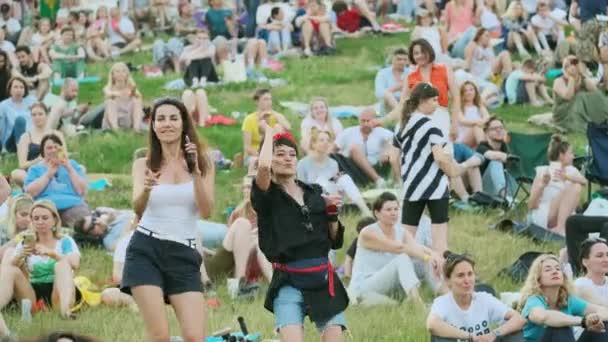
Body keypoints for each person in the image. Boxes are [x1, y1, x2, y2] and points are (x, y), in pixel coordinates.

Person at [121, 97, 214, 342]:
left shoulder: (204, 162)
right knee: (160, 335)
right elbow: (137, 209)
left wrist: (195, 173)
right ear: (153, 126)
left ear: (184, 123)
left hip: (183, 252)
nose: (167, 124)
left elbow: (206, 211)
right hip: (145, 249)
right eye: (160, 119)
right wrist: (147, 188)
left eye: (173, 118)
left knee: (195, 337)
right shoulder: (143, 164)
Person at [252, 122, 348, 342]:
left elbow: (334, 241)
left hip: (323, 277)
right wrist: (269, 133)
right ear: (269, 158)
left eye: (292, 154)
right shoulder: (267, 196)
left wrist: (332, 215)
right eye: (280, 154)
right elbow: (264, 169)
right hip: (288, 279)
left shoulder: (314, 192)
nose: (287, 158)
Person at [393, 83, 462, 256]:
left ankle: (404, 271)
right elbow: (439, 157)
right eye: (434, 99)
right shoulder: (432, 126)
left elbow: (393, 157)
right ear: (423, 101)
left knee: (407, 236)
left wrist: (403, 177)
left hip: (412, 185)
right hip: (435, 186)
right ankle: (440, 274)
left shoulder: (402, 125)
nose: (437, 104)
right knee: (439, 239)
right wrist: (452, 172)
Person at [349, 192, 442, 305]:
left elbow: (417, 247)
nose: (393, 213)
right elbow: (399, 248)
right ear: (377, 213)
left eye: (396, 209)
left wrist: (434, 256)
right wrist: (427, 257)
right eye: (388, 210)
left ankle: (443, 294)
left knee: (425, 262)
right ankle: (418, 304)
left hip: (387, 283)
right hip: (365, 285)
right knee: (402, 259)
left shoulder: (401, 231)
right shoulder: (368, 232)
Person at [0, 200, 81, 318]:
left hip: (59, 289)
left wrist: (52, 254)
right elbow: (9, 269)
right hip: (32, 293)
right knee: (10, 269)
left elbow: (75, 263)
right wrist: (20, 255)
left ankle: (65, 312)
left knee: (61, 264)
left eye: (45, 218)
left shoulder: (65, 241)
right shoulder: (26, 242)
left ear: (55, 220)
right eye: (36, 218)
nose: (40, 222)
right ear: (32, 221)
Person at [427, 252, 526, 341]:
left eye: (470, 274)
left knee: (515, 334)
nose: (467, 280)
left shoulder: (483, 298)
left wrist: (494, 334)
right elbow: (432, 324)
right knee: (438, 337)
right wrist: (470, 337)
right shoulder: (443, 302)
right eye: (460, 275)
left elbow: (519, 319)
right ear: (448, 281)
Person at [204, 176, 273, 292]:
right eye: (245, 187)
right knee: (243, 225)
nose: (247, 190)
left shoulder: (271, 212)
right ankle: (239, 284)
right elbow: (231, 244)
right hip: (238, 259)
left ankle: (272, 283)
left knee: (258, 242)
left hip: (263, 256)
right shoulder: (237, 213)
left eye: (250, 187)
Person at [519, 254, 608, 342]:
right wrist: (583, 321)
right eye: (548, 270)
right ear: (538, 278)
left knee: (603, 324)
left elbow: (604, 311)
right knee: (560, 327)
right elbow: (542, 317)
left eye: (558, 269)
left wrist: (595, 319)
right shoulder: (534, 300)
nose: (555, 272)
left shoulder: (568, 300)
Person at [297, 128, 371, 216]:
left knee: (345, 178)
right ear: (313, 144)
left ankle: (366, 211)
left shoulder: (333, 163)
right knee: (321, 181)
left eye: (328, 140)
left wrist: (337, 187)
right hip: (314, 199)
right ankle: (333, 211)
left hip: (334, 197)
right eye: (321, 140)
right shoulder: (302, 163)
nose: (325, 142)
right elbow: (300, 189)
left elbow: (334, 183)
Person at [24, 133, 89, 228]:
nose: (53, 150)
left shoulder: (72, 165)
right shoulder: (35, 169)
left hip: (72, 205)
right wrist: (48, 174)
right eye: (49, 148)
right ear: (43, 152)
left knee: (82, 220)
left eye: (56, 147)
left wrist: (69, 168)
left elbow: (82, 191)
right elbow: (30, 192)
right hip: (46, 207)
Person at [528, 135, 586, 235]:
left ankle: (561, 226)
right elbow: (531, 205)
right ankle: (560, 228)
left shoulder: (572, 171)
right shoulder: (543, 171)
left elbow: (584, 181)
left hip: (565, 216)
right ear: (561, 155)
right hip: (545, 216)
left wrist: (567, 177)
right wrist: (542, 185)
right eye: (571, 153)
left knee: (576, 185)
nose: (573, 156)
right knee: (575, 186)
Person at [335, 108, 393, 187]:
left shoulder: (383, 133)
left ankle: (398, 181)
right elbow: (332, 149)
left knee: (393, 150)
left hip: (378, 166)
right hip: (355, 169)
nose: (365, 124)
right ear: (359, 120)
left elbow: (395, 146)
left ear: (374, 121)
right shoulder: (348, 132)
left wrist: (386, 151)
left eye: (368, 121)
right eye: (363, 121)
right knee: (354, 148)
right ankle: (378, 181)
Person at [10, 103, 65, 186]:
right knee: (16, 173)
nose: (37, 117)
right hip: (34, 174)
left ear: (46, 115)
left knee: (80, 168)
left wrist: (53, 159)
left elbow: (64, 157)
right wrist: (38, 160)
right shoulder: (26, 137)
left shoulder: (57, 134)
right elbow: (22, 165)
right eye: (34, 115)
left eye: (40, 114)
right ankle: (38, 185)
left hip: (54, 169)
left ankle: (51, 183)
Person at [552, 55, 608, 133]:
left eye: (575, 63)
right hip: (564, 113)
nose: (573, 67)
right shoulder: (559, 81)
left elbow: (596, 94)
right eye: (569, 65)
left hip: (579, 110)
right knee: (581, 96)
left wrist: (583, 75)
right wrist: (570, 78)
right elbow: (568, 96)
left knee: (595, 96)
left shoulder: (581, 79)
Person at [241, 89, 291, 168]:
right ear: (257, 102)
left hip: (274, 152)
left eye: (270, 99)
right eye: (265, 99)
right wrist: (262, 156)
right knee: (262, 162)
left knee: (278, 127)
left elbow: (288, 128)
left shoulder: (275, 116)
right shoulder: (249, 119)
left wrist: (274, 113)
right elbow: (247, 147)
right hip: (256, 154)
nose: (269, 102)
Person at [476, 116, 516, 199]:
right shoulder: (482, 147)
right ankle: (506, 198)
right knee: (496, 161)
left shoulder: (505, 147)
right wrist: (506, 157)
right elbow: (491, 155)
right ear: (486, 132)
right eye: (494, 128)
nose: (499, 130)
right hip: (484, 189)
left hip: (502, 185)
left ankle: (508, 197)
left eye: (501, 128)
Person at [102, 62, 144, 133]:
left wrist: (133, 92)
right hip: (114, 118)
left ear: (127, 74)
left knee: (136, 100)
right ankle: (116, 130)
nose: (120, 73)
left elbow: (139, 96)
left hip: (128, 116)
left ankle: (136, 129)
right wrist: (116, 93)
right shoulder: (109, 87)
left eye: (123, 71)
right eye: (117, 71)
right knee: (110, 101)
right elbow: (107, 93)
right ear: (113, 75)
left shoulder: (130, 86)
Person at [0, 76, 36, 153]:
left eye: (21, 87)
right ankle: (23, 152)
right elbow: (1, 126)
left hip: (31, 139)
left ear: (25, 90)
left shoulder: (31, 101)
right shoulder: (3, 105)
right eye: (15, 87)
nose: (19, 90)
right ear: (10, 90)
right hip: (12, 142)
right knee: (20, 121)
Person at [374, 48, 411, 114]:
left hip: (406, 102)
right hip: (389, 104)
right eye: (399, 59)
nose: (402, 62)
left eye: (405, 60)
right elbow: (379, 93)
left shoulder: (410, 72)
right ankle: (401, 114)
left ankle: (401, 115)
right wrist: (396, 87)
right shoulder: (383, 73)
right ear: (392, 60)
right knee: (388, 95)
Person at [574, 238, 608, 309]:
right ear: (585, 262)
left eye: (607, 255)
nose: (606, 259)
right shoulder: (579, 286)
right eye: (599, 256)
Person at [455, 81, 489, 148]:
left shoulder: (479, 106)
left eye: (471, 90)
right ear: (462, 94)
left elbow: (487, 117)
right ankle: (485, 150)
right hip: (463, 139)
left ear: (475, 91)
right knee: (476, 127)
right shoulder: (459, 107)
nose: (469, 92)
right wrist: (479, 122)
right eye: (465, 91)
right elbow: (463, 121)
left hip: (478, 136)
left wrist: (482, 122)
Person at [0, 194, 33, 261]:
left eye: (31, 216)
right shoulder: (2, 228)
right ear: (13, 214)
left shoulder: (37, 228)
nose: (28, 219)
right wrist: (19, 238)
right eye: (23, 215)